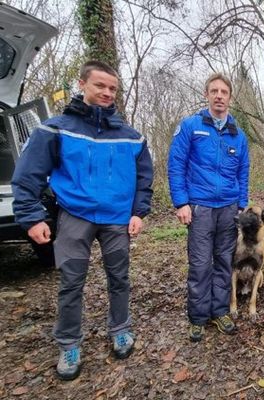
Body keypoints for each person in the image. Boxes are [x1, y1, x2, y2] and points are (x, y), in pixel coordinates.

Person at [11, 60, 154, 379]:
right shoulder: (56, 128)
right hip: (75, 216)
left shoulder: (131, 137)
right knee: (71, 282)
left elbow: (145, 177)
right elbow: (27, 175)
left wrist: (138, 211)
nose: (106, 92)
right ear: (82, 84)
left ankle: (120, 329)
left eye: (112, 88)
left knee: (119, 279)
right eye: (99, 85)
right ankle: (69, 344)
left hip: (117, 218)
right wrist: (32, 217)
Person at [168, 73, 250, 342]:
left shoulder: (237, 134)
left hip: (228, 207)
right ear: (206, 95)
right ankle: (198, 317)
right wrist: (181, 203)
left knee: (224, 262)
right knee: (201, 264)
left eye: (223, 92)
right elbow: (176, 165)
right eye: (214, 91)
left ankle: (220, 311)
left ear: (230, 97)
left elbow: (243, 171)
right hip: (200, 207)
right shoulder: (191, 127)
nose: (219, 96)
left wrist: (242, 203)